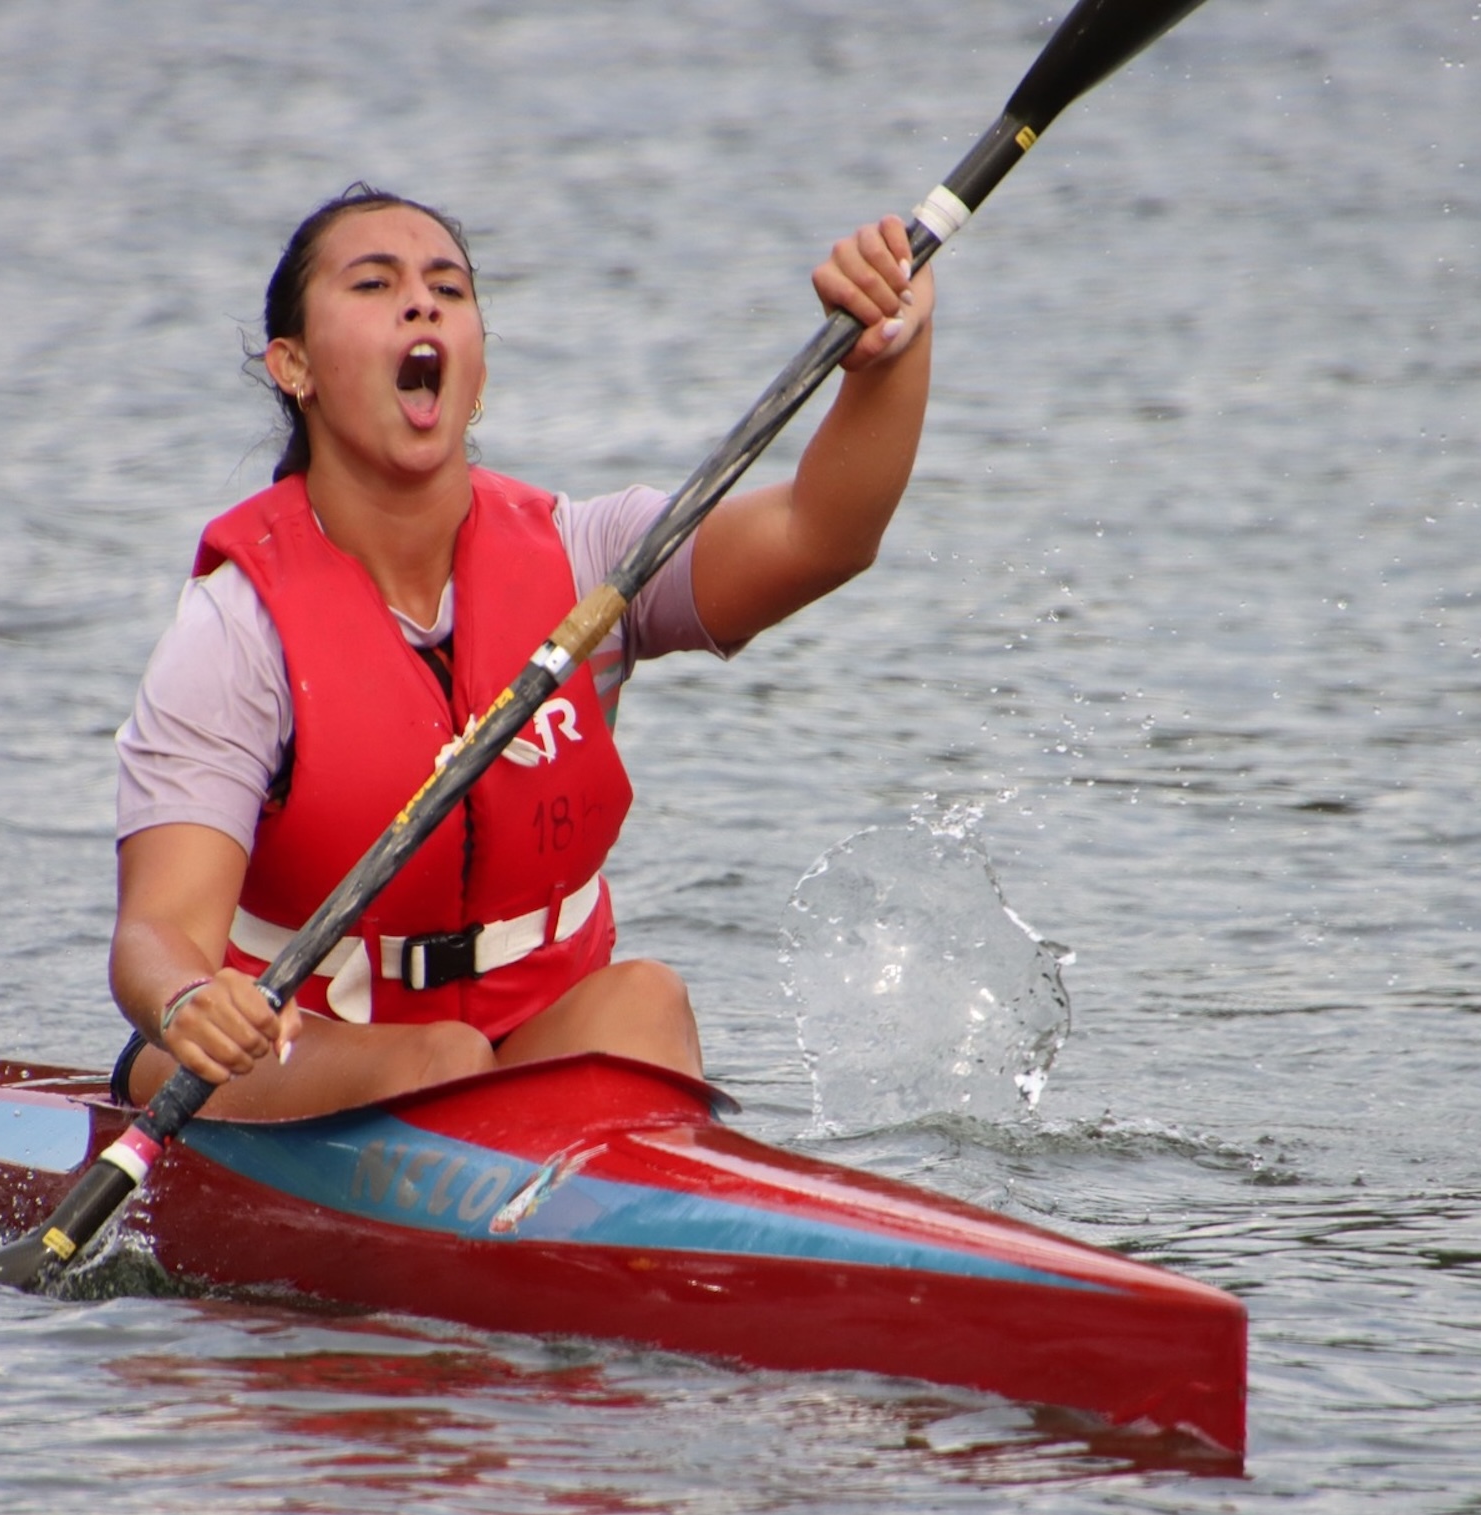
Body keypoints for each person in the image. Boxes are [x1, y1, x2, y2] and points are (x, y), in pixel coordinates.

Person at [109, 183, 934, 1120]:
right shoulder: (235, 632)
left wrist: (885, 362)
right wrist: (188, 999)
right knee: (442, 1061)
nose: (421, 303)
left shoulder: (594, 561)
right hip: (283, 1059)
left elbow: (819, 534)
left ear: (478, 370)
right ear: (291, 366)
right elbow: (156, 932)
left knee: (643, 1002)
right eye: (374, 285)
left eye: (448, 290)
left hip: (522, 1041)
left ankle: (646, 1235)